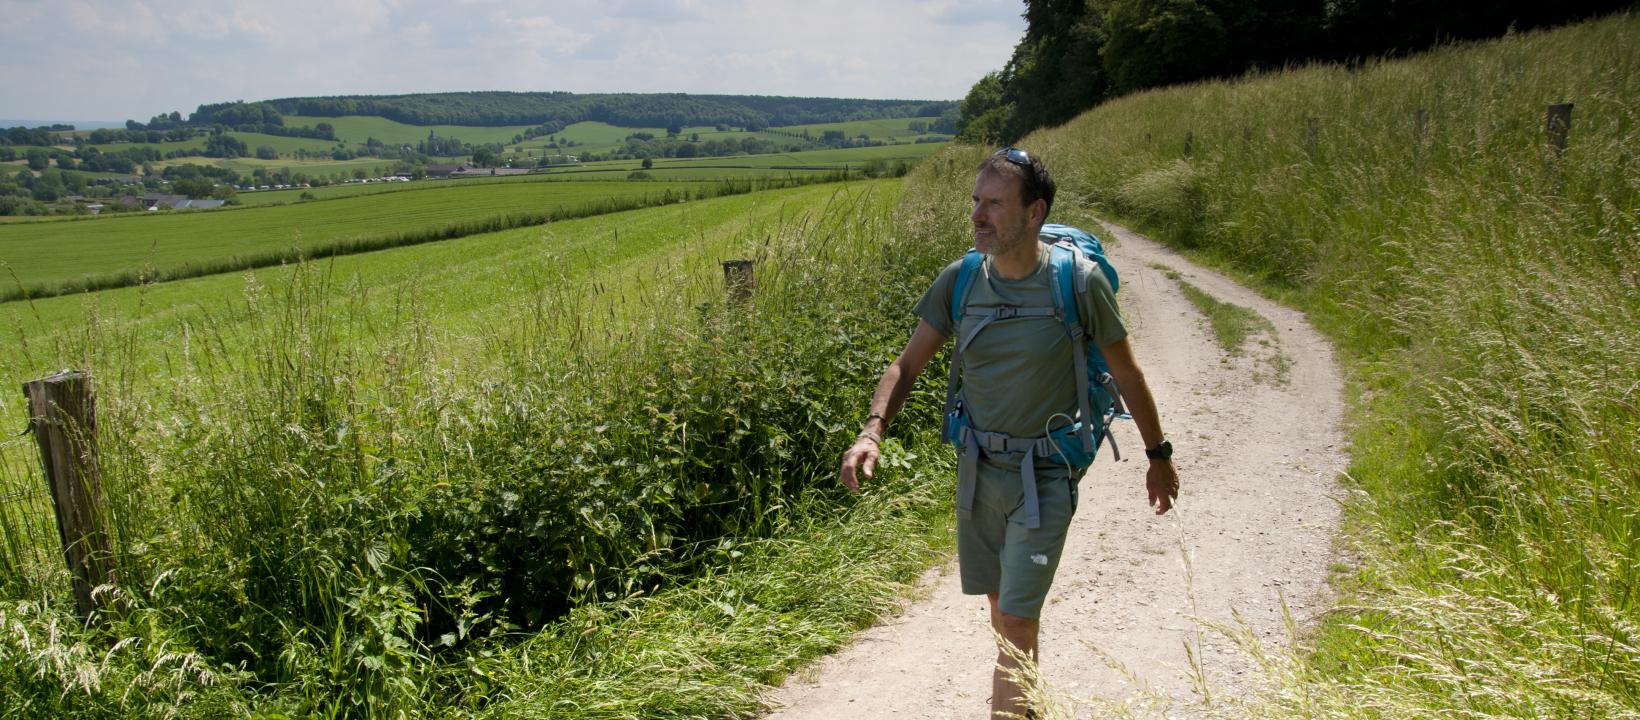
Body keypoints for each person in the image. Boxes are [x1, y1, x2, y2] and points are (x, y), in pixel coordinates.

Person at [839, 148, 1179, 719]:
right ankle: (1028, 708)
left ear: (1033, 212)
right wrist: (872, 431)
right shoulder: (962, 279)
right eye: (976, 201)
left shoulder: (1079, 282)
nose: (978, 215)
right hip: (978, 472)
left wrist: (1157, 453)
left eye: (995, 203)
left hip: (1046, 472)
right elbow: (906, 365)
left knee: (1017, 621)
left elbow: (1127, 372)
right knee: (1004, 616)